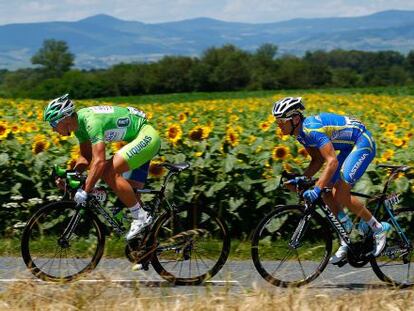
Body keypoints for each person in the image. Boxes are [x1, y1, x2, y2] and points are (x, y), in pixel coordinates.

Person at [272, 96, 390, 264]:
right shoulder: (300, 135)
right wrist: (302, 179)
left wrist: (316, 187)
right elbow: (317, 160)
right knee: (327, 192)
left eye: (281, 121)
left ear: (295, 119)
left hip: (362, 142)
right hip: (348, 147)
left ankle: (378, 229)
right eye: (277, 121)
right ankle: (346, 234)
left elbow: (332, 161)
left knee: (340, 193)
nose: (278, 124)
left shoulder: (311, 130)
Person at [43, 94, 161, 241]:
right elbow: (86, 158)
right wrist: (71, 175)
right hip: (136, 140)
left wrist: (85, 191)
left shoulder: (91, 121)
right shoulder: (79, 128)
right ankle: (146, 249)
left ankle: (141, 217)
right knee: (131, 196)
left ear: (65, 118)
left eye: (53, 124)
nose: (53, 129)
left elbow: (99, 161)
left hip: (146, 137)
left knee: (108, 172)